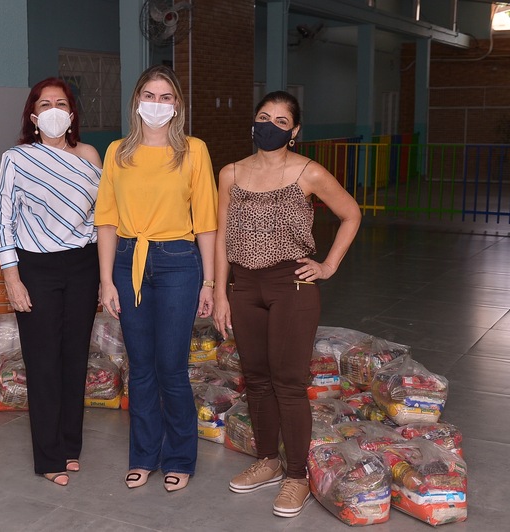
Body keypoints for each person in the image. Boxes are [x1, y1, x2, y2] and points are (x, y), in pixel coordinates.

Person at [213, 90, 361, 517]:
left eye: (281, 121)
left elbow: (351, 213)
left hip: (291, 286)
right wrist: (220, 292)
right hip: (244, 287)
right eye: (264, 117)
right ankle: (268, 461)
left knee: (288, 383)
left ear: (295, 131)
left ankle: (296, 476)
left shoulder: (308, 172)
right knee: (257, 379)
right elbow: (221, 235)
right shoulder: (230, 173)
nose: (270, 126)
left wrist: (328, 265)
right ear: (252, 122)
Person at [96, 65, 218, 493]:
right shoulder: (117, 152)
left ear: (177, 105)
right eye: (149, 95)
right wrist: (106, 281)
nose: (156, 104)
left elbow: (206, 222)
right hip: (127, 260)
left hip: (178, 262)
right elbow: (106, 220)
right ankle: (144, 455)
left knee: (171, 366)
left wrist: (209, 283)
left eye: (166, 97)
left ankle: (180, 457)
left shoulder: (193, 151)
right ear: (136, 102)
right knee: (141, 366)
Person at [0, 77, 102, 487]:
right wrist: (11, 277)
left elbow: (101, 217)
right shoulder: (16, 158)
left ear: (71, 113)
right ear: (33, 116)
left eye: (61, 103)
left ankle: (70, 445)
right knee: (43, 363)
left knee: (75, 359)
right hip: (35, 268)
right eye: (44, 104)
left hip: (83, 266)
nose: (53, 110)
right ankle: (49, 456)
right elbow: (1, 218)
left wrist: (104, 274)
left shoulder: (89, 155)